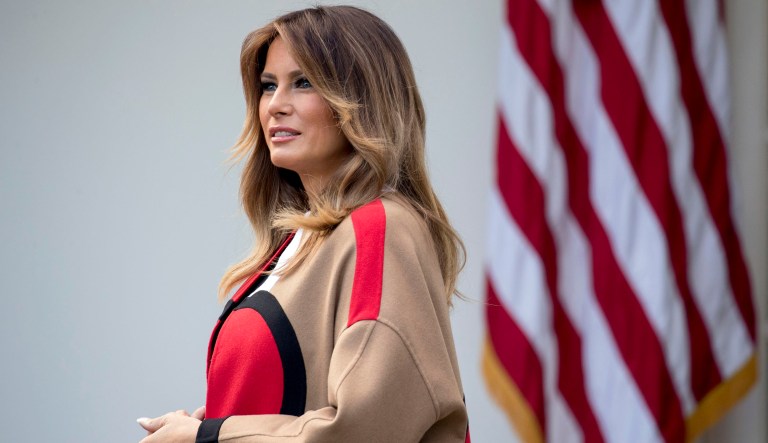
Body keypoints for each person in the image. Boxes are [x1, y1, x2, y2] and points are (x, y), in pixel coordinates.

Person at [137, 5, 469, 442]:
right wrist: (207, 424)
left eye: (304, 83)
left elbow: (364, 429)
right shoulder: (302, 242)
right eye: (268, 86)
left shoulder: (379, 228)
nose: (276, 105)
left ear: (361, 99)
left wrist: (206, 437)